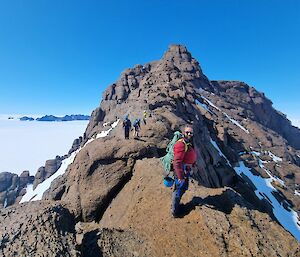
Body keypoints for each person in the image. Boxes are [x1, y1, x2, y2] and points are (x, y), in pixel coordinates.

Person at [171, 124, 197, 217]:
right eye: (187, 132)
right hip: (181, 171)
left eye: (191, 132)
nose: (189, 134)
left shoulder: (188, 142)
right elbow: (177, 162)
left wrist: (193, 164)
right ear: (183, 133)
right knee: (178, 189)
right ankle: (174, 211)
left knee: (183, 188)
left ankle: (176, 206)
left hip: (186, 170)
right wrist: (180, 176)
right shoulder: (181, 144)